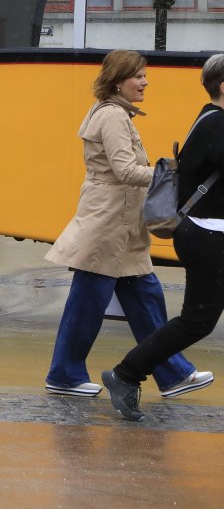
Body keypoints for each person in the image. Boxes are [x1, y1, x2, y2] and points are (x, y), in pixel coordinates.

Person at [43, 49, 207, 400]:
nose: (145, 82)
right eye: (138, 76)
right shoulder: (113, 116)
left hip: (121, 224)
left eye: (144, 75)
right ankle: (64, 374)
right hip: (108, 223)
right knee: (88, 304)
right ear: (118, 81)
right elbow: (126, 171)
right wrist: (174, 175)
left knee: (146, 299)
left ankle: (172, 373)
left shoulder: (113, 112)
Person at [104, 52, 224, 421]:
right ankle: (126, 374)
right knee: (196, 321)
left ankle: (128, 373)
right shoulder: (216, 124)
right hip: (208, 236)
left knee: (197, 320)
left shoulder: (212, 119)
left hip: (208, 233)